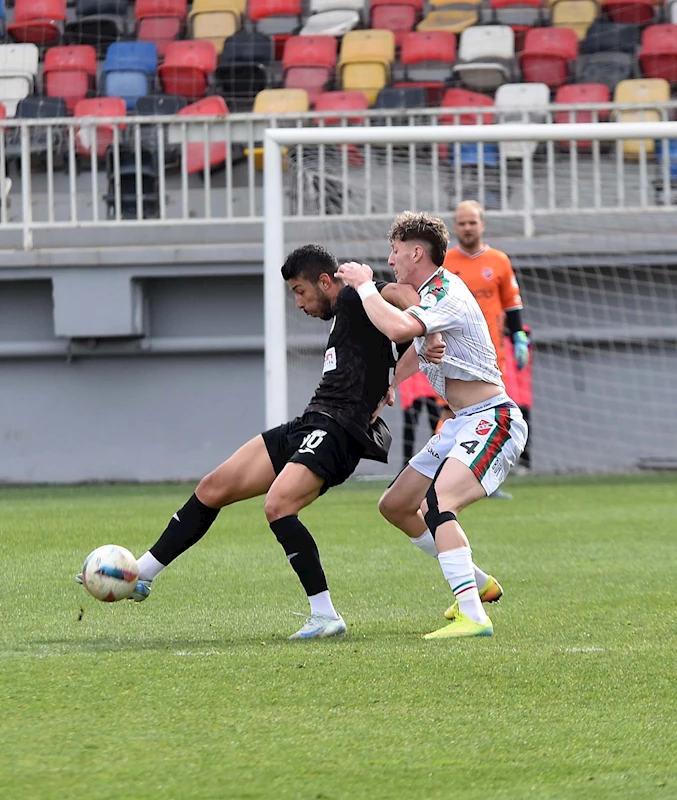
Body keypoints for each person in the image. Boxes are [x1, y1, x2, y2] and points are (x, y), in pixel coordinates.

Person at [77, 244, 424, 640]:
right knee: (213, 487)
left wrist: (409, 314)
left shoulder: (354, 294)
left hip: (339, 430)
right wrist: (390, 374)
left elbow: (402, 295)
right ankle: (143, 574)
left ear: (325, 281)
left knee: (278, 506)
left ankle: (325, 614)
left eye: (300, 291)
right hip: (311, 421)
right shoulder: (350, 310)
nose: (298, 303)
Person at [336, 211, 528, 639]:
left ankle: (473, 615)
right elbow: (416, 341)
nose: (391, 259)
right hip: (462, 422)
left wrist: (365, 287)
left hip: (493, 419)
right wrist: (391, 386)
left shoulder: (446, 293)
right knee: (396, 506)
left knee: (438, 504)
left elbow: (399, 326)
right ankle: (481, 584)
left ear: (417, 251)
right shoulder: (429, 293)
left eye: (396, 251)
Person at [440, 200, 531, 499]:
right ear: (455, 226)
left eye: (472, 222)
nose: (467, 228)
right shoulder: (445, 263)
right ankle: (442, 475)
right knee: (450, 413)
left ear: (482, 224)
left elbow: (512, 303)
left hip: (491, 357)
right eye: (462, 223)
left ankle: (486, 479)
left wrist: (518, 336)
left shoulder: (499, 261)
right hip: (454, 353)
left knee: (489, 417)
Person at [399, 371, 440, 469]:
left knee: (437, 426)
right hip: (411, 383)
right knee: (410, 426)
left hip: (430, 383)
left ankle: (435, 458)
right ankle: (406, 463)